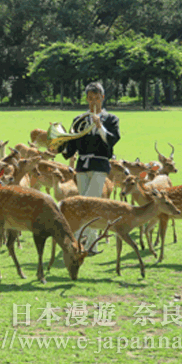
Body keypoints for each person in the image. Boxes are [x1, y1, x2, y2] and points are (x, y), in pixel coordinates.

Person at [62, 82, 120, 249]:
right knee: (88, 206)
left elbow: (112, 141)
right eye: (90, 98)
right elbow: (71, 147)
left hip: (100, 165)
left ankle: (79, 241)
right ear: (86, 99)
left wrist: (99, 126)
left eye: (97, 98)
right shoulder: (78, 120)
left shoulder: (111, 119)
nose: (94, 102)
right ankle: (90, 246)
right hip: (82, 166)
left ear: (103, 98)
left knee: (87, 203)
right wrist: (59, 146)